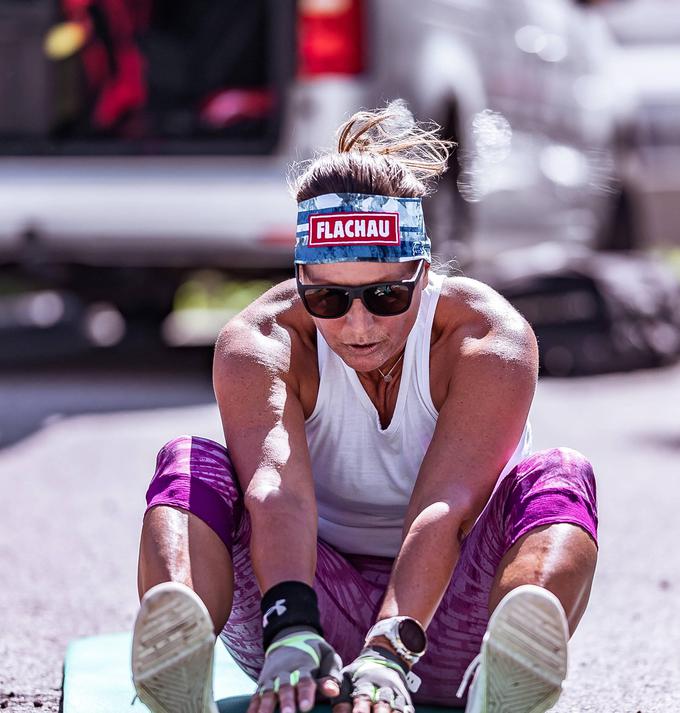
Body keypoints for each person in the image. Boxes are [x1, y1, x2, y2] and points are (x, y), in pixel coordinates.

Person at [131, 100, 599, 713]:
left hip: (439, 627)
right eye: (327, 298)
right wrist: (291, 628)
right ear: (300, 281)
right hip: (298, 615)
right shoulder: (261, 339)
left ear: (423, 274)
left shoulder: (488, 337)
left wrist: (389, 650)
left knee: (561, 473)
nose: (357, 325)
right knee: (190, 461)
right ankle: (179, 661)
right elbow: (276, 492)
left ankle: (506, 673)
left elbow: (446, 508)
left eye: (384, 295)